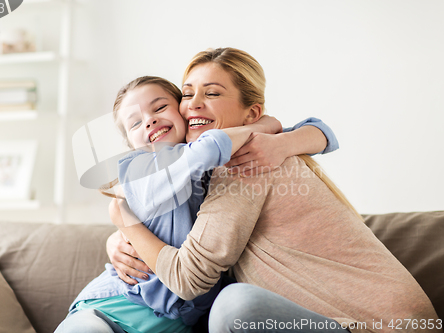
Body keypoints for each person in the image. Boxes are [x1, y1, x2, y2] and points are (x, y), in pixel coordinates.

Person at [108, 47, 440, 333]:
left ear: (250, 112)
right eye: (186, 93)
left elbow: (187, 280)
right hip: (347, 322)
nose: (192, 105)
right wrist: (116, 240)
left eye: (211, 93)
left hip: (383, 324)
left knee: (235, 306)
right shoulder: (232, 158)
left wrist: (125, 221)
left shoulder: (246, 163)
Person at [56, 74, 338, 333]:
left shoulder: (217, 165)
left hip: (179, 323)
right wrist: (262, 126)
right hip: (111, 308)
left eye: (159, 108)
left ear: (182, 110)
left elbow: (321, 132)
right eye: (135, 123)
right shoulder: (138, 169)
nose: (150, 121)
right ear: (130, 143)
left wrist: (280, 139)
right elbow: (208, 148)